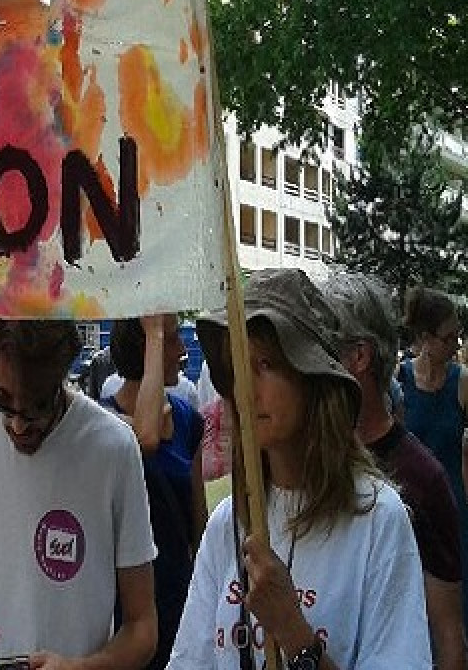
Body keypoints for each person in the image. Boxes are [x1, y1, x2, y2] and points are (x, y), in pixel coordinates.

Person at [170, 268, 431, 670]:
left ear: (312, 380)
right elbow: (191, 659)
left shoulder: (378, 518)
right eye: (238, 366)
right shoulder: (230, 521)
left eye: (266, 364)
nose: (245, 387)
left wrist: (294, 633)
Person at [0, 318, 158, 669]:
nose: (17, 425)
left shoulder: (113, 449)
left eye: (37, 404)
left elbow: (143, 626)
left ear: (62, 372)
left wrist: (80, 668)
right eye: (1, 397)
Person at [322, 273, 466, 670]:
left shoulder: (422, 480)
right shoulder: (308, 467)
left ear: (360, 357)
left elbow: (449, 641)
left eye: (321, 348)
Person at [103, 315, 205, 670]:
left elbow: (200, 520)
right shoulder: (103, 423)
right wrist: (155, 330)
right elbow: (145, 437)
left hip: (180, 599)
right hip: (124, 608)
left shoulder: (188, 420)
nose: (182, 351)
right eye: (173, 340)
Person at [399, 285, 468, 625]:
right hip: (412, 516)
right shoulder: (400, 380)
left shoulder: (462, 382)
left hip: (455, 513)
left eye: (458, 336)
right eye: (448, 338)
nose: (456, 344)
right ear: (425, 338)